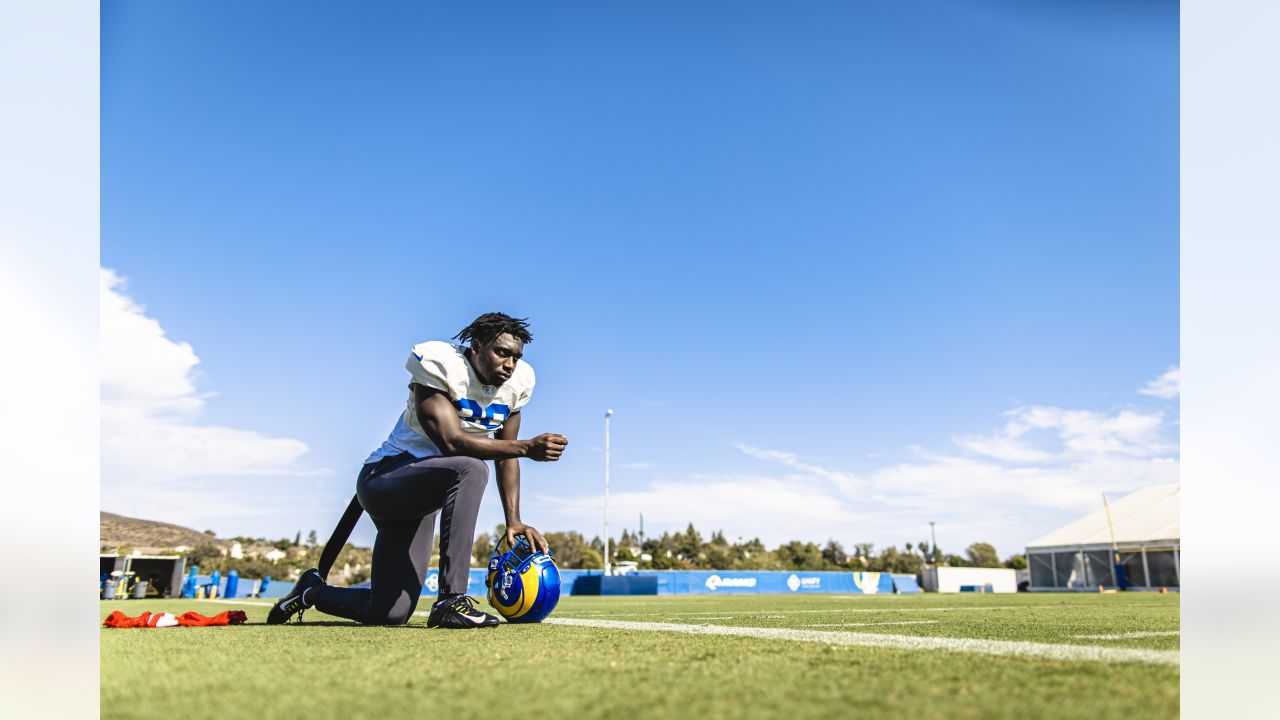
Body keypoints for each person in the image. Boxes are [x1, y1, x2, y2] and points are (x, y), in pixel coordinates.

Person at [268, 313, 568, 628]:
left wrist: (514, 521)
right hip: (387, 478)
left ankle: (310, 593)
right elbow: (453, 442)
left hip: (425, 496)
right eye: (502, 352)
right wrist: (526, 447)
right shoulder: (442, 365)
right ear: (477, 347)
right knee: (472, 468)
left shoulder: (516, 385)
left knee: (389, 613)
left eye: (516, 357)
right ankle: (452, 600)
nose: (510, 364)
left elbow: (506, 455)